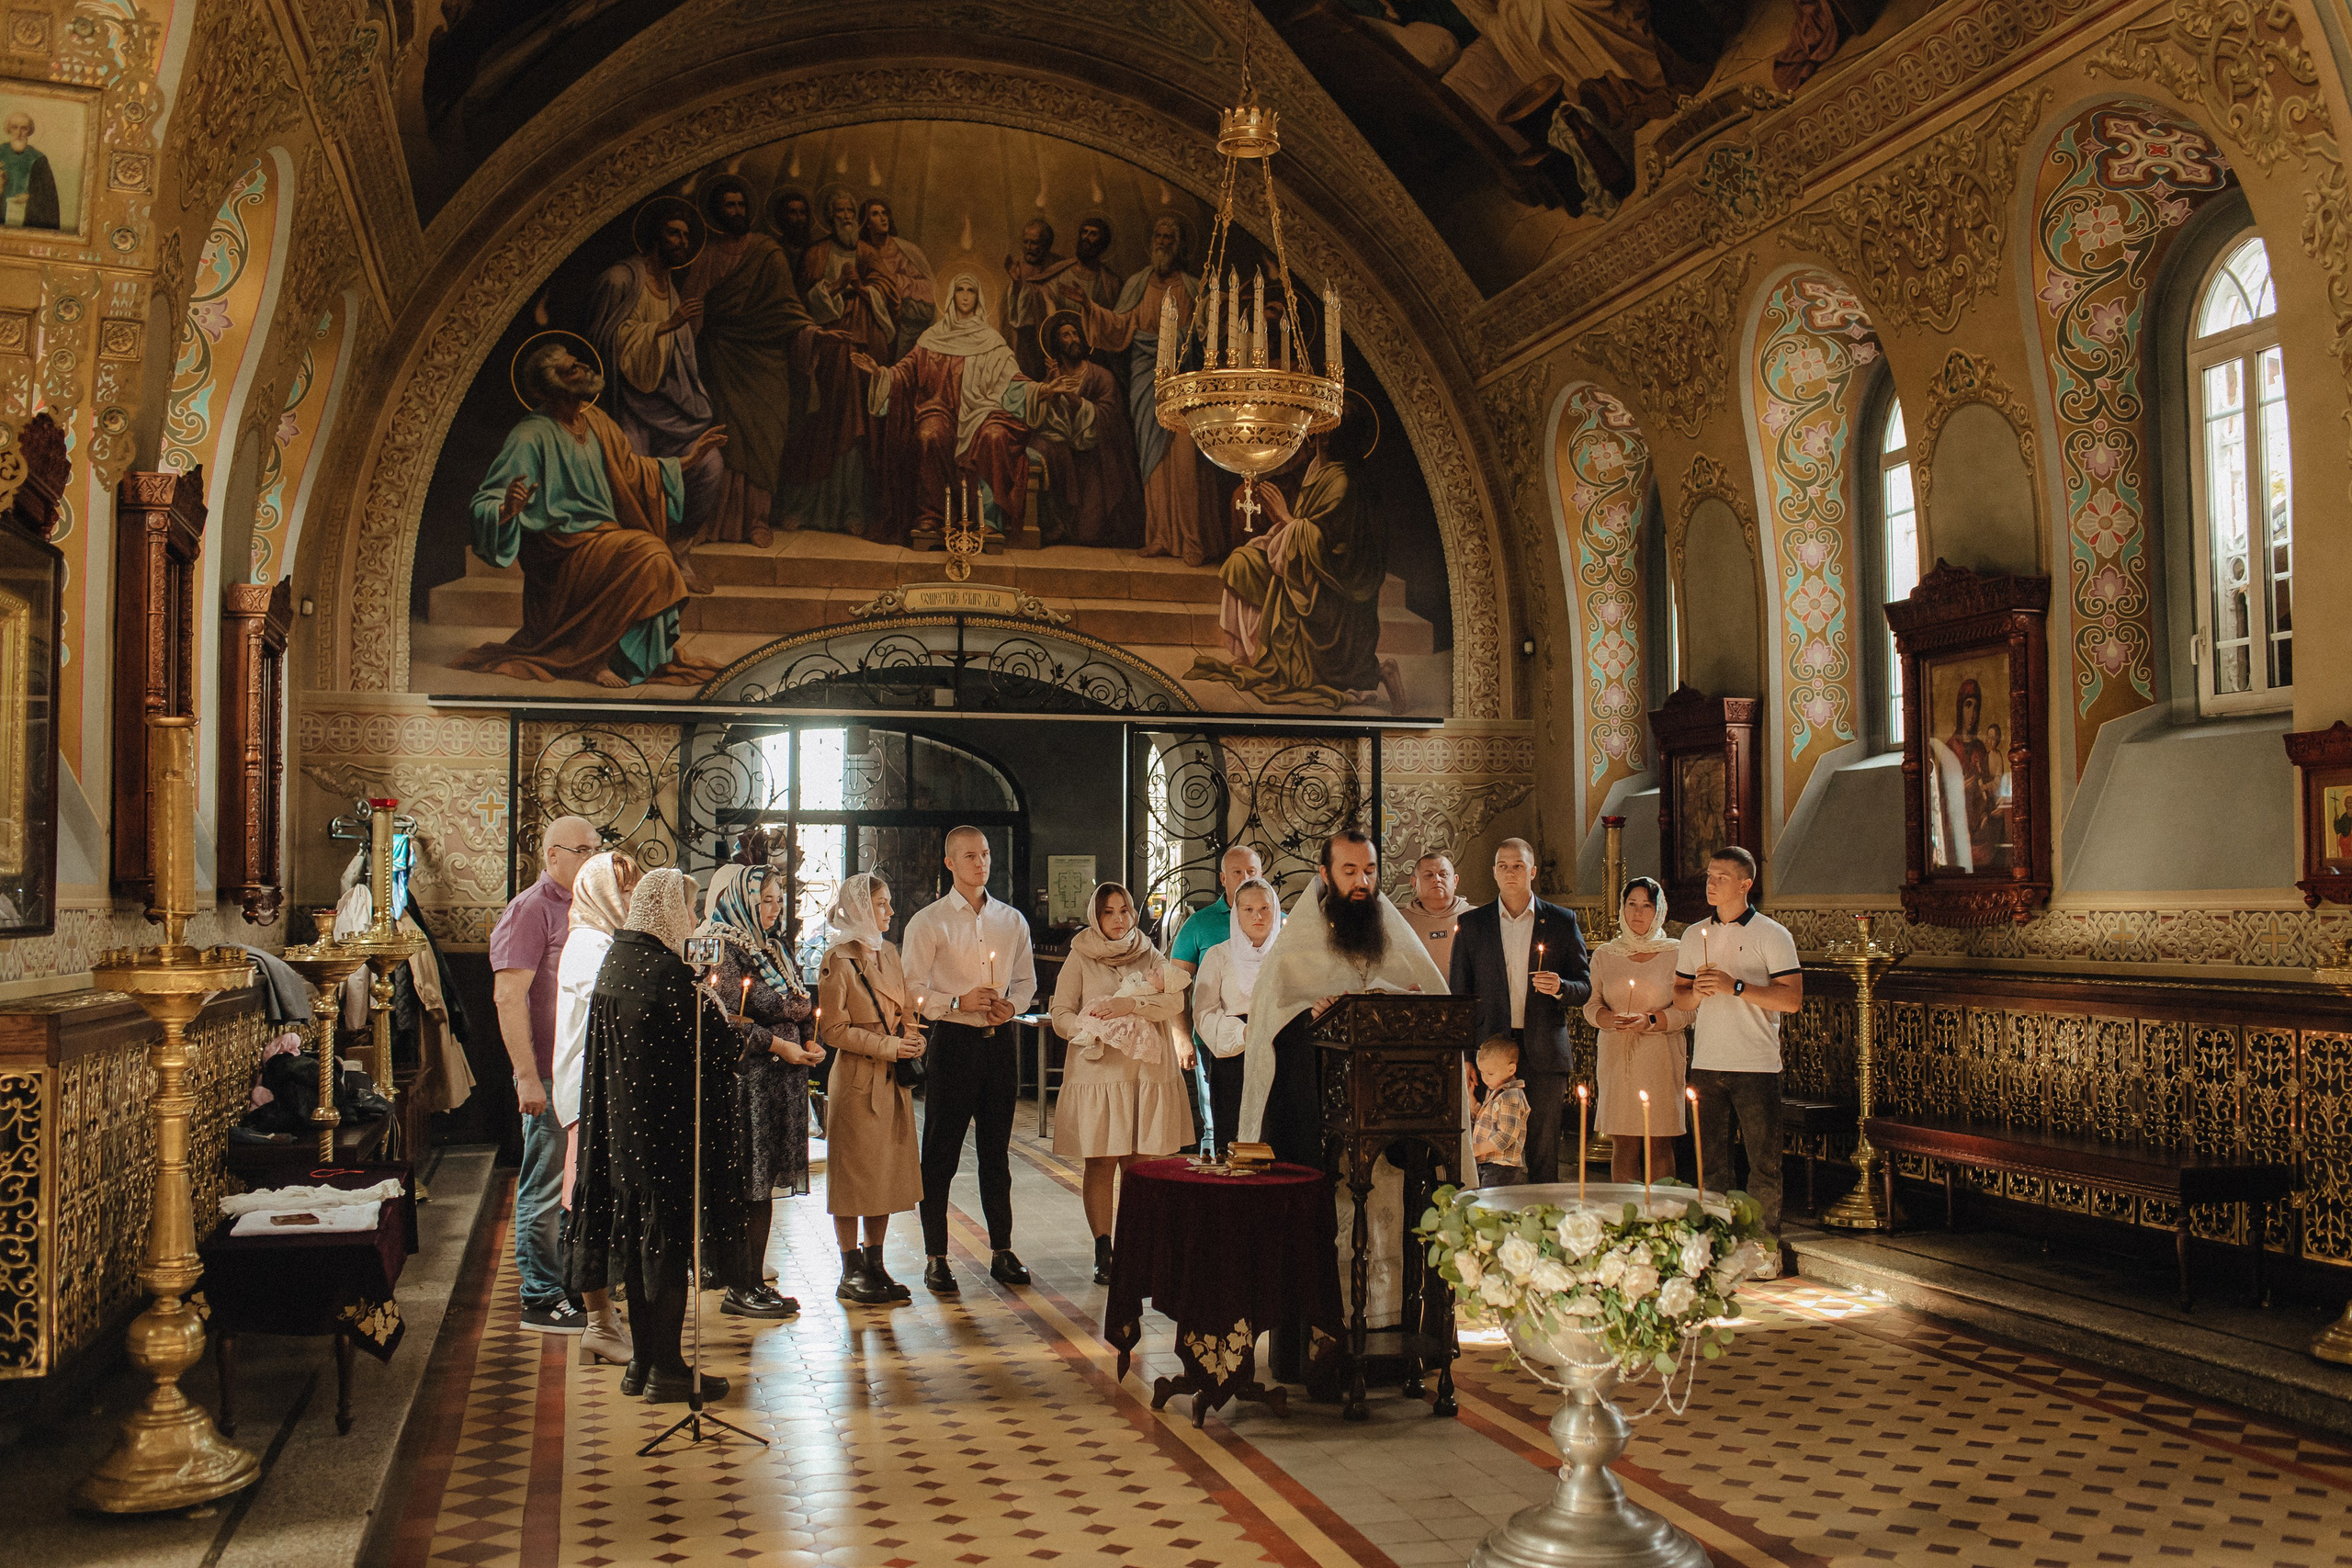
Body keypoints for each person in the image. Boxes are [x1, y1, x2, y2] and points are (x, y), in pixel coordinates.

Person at [568, 868, 752, 1403]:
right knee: (666, 1248)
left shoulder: (618, 961)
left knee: (636, 1243)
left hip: (621, 1134)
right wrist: (717, 1009)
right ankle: (667, 1368)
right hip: (667, 1132)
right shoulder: (666, 972)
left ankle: (643, 1365)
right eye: (689, 909)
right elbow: (717, 1049)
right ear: (666, 908)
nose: (693, 921)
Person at [459, 339, 725, 686]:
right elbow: (484, 501)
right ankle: (589, 660)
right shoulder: (530, 436)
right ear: (553, 387)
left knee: (652, 556)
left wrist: (689, 460)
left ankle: (628, 657)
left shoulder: (596, 421)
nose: (584, 369)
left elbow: (632, 471)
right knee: (651, 555)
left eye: (579, 363)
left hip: (603, 539)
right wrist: (506, 510)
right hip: (560, 551)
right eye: (572, 369)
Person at [1236, 829, 1447, 1164]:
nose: (1361, 881)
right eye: (1349, 872)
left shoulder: (1396, 939)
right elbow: (1269, 1023)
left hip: (1390, 1106)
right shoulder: (1295, 947)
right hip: (1323, 1110)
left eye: (1369, 871)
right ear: (1325, 874)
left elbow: (1436, 1003)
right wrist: (1310, 1015)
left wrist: (1405, 1002)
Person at [1196, 406, 1406, 712]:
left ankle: (1377, 671)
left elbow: (1330, 552)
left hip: (1332, 596)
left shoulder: (1344, 483)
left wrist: (1283, 517)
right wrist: (1274, 533)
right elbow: (1308, 528)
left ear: (1331, 440)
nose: (1312, 441)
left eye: (1320, 435)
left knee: (1263, 571)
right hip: (1304, 571)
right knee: (1242, 562)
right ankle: (1255, 654)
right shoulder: (1322, 473)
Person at [903, 826, 1039, 1295]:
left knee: (996, 1153)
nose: (980, 863)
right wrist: (958, 1001)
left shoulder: (1011, 920)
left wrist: (1012, 1006)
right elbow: (912, 989)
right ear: (950, 863)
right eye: (969, 856)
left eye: (984, 854)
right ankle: (936, 1256)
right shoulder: (929, 922)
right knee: (940, 1153)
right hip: (954, 1044)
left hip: (1000, 1044)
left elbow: (1025, 982)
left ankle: (1002, 1249)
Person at [696, 863, 822, 1320]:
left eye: (777, 900)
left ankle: (751, 1280)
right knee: (747, 1184)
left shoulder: (773, 948)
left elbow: (800, 1003)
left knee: (764, 1185)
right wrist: (779, 1044)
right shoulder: (722, 948)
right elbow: (722, 1020)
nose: (773, 909)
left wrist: (809, 1038)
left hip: (780, 1084)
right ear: (740, 900)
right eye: (764, 900)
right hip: (746, 1085)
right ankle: (740, 1284)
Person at [490, 814, 600, 1334]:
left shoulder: (587, 906)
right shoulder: (530, 910)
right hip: (551, 1074)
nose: (591, 857)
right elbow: (508, 996)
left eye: (596, 848)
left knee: (576, 1183)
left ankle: (572, 1282)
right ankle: (539, 1294)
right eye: (581, 850)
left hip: (585, 1070)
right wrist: (527, 1078)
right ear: (552, 855)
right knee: (546, 1183)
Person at [1051, 883, 1193, 1283]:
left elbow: (1174, 1001)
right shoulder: (1080, 956)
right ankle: (1104, 1249)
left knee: (1141, 1165)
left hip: (1145, 1074)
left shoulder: (1151, 954)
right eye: (1108, 912)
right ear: (1096, 917)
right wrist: (1086, 1027)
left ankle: (1136, 1247)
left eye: (1124, 911)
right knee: (1101, 1161)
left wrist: (1130, 1005)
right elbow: (1061, 1010)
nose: (1118, 920)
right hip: (1100, 1075)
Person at [585, 199, 729, 592]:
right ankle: (639, 566)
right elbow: (602, 344)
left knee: (711, 466)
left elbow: (682, 358)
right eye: (673, 233)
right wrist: (665, 327)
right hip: (627, 406)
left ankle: (679, 553)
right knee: (632, 479)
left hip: (672, 408)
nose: (682, 242)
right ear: (654, 237)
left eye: (686, 236)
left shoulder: (671, 290)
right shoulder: (620, 280)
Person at [1672, 846, 1801, 1275]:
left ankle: (1765, 1250)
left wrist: (1737, 987)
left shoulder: (1772, 934)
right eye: (1708, 875)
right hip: (1707, 1060)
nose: (1711, 883)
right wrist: (1697, 994)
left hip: (1757, 1063)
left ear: (1745, 884)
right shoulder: (1693, 935)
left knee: (1763, 1162)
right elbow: (1680, 995)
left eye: (1721, 877)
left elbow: (1792, 999)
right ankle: (1713, 1247)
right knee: (1710, 1163)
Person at [1071, 213, 1226, 566]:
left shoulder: (1191, 286)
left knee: (1186, 461)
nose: (1162, 242)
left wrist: (1208, 314)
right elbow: (1119, 326)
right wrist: (1089, 307)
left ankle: (1192, 540)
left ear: (1180, 245)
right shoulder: (1138, 284)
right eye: (1158, 235)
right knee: (1152, 464)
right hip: (1146, 381)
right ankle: (1158, 536)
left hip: (1184, 380)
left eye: (1169, 237)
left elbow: (1206, 335)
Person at [683, 175, 817, 547]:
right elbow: (692, 311)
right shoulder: (708, 256)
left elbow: (788, 307)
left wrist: (811, 333)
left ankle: (758, 520)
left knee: (766, 437)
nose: (737, 211)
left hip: (766, 362)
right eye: (730, 205)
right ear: (717, 211)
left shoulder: (767, 251)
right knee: (726, 440)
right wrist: (686, 351)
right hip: (722, 358)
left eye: (742, 205)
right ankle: (714, 522)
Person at [1448, 838, 1591, 1184]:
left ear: (1533, 871)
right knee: (1493, 1153)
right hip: (1491, 1051)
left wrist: (1560, 987)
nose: (1510, 872)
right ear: (1494, 872)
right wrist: (1467, 1057)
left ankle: (1544, 1226)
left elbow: (1584, 987)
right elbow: (1460, 996)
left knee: (1544, 1151)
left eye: (1518, 866)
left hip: (1543, 1049)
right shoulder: (1473, 925)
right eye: (1503, 866)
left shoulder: (1560, 921)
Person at [854, 275, 1036, 547]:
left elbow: (1012, 382)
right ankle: (931, 516)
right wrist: (882, 375)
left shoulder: (992, 341)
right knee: (929, 435)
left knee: (995, 436)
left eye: (971, 291)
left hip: (982, 413)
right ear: (951, 295)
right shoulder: (932, 338)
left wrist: (1040, 391)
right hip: (938, 410)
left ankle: (988, 520)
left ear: (979, 298)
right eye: (960, 289)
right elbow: (906, 372)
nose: (965, 296)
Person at [816, 873, 927, 1306]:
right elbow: (834, 1030)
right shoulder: (838, 959)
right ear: (861, 908)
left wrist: (913, 1036)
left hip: (892, 1077)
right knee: (852, 1174)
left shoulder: (890, 953)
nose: (890, 912)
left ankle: (876, 1263)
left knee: (883, 1173)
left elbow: (903, 1009)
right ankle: (849, 1268)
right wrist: (889, 1046)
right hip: (859, 1079)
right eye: (881, 904)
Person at [551, 847, 639, 1366]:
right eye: (623, 888)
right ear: (600, 891)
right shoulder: (591, 943)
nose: (628, 897)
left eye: (631, 888)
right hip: (589, 1091)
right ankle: (599, 1321)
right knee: (590, 1203)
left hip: (601, 1088)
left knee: (602, 1201)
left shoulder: (604, 940)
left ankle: (605, 1317)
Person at [1586, 875, 1691, 1183]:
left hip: (1661, 1055)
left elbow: (1690, 1008)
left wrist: (1653, 1021)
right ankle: (1624, 1215)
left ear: (1659, 911)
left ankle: (1661, 1214)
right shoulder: (1606, 954)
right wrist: (1607, 1018)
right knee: (1624, 1141)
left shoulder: (1677, 953)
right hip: (1618, 1057)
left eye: (1647, 905)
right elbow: (1590, 1005)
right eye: (1631, 904)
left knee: (1660, 1141)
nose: (1637, 912)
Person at [1016, 310, 1145, 547]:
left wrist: (1071, 397)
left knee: (1089, 533)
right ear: (1056, 343)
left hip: (1096, 460)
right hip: (1066, 457)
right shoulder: (1052, 378)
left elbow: (1109, 417)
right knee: (1039, 447)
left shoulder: (1102, 377)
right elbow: (1050, 424)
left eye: (1076, 334)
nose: (1073, 339)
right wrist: (1052, 391)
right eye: (1066, 335)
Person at [1170, 844, 1266, 1148]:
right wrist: (1182, 1036)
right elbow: (1176, 984)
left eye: (1252, 872)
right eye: (1237, 872)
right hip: (1214, 1040)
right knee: (1217, 1125)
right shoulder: (1199, 923)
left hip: (1268, 1039)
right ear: (1223, 878)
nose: (1245, 877)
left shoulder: (1277, 919)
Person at [1191, 877, 1283, 1153]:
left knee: (1277, 1132)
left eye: (1265, 908)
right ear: (1236, 913)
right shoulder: (1219, 956)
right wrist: (1240, 1033)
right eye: (1248, 909)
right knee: (1233, 1132)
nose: (1258, 916)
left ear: (1275, 911)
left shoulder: (1287, 956)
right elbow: (1204, 1011)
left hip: (1280, 1048)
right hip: (1234, 1053)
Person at [1469, 1035, 1529, 1189]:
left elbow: (1507, 1135)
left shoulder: (1511, 1096)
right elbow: (1486, 1120)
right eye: (1481, 1073)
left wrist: (1480, 1148)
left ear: (1511, 1069)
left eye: (1490, 1074)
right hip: (1489, 1164)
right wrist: (1472, 1099)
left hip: (1503, 1167)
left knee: (1494, 1207)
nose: (1485, 1079)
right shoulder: (1496, 1092)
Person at [1398, 852, 1470, 976]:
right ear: (1414, 882)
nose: (1436, 879)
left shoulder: (1474, 917)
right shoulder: (1399, 922)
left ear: (1455, 881)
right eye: (1428, 875)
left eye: (1443, 875)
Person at [1, 111, 60, 230]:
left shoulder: (39, 159)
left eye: (24, 128)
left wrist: (30, 198)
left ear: (29, 131)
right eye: (14, 127)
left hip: (28, 219)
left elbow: (49, 198)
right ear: (9, 130)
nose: (19, 133)